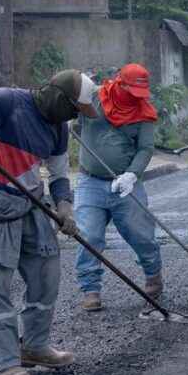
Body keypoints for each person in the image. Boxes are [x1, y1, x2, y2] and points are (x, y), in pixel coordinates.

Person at [0, 70, 97, 375]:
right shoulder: (7, 101)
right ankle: (7, 363)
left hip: (30, 203)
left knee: (47, 274)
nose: (74, 116)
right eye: (73, 109)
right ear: (59, 98)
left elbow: (58, 175)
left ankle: (35, 345)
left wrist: (64, 208)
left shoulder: (58, 128)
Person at [73, 64, 161, 312]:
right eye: (130, 90)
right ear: (119, 83)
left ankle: (153, 277)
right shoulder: (94, 98)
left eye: (139, 93)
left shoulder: (143, 111)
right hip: (90, 181)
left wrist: (132, 174)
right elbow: (72, 117)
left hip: (125, 184)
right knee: (89, 236)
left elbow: (145, 148)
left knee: (141, 236)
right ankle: (91, 289)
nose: (134, 97)